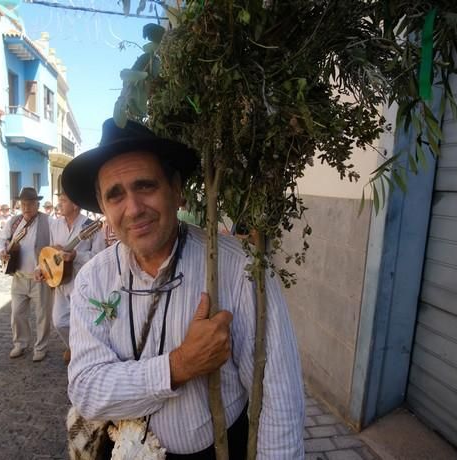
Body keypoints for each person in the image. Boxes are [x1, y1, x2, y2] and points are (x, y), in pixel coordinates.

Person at [61, 119, 305, 458]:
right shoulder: (92, 280)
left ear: (176, 191)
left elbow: (278, 398)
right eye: (115, 195)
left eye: (145, 186)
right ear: (103, 208)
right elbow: (87, 391)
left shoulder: (238, 269)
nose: (133, 209)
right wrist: (179, 366)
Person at [47, 192, 106, 363]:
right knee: (59, 322)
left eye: (63, 201)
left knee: (83, 322)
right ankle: (74, 347)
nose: (59, 204)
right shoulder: (55, 225)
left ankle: (84, 354)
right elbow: (51, 251)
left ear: (76, 205)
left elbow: (99, 256)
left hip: (83, 283)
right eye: (59, 201)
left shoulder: (90, 226)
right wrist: (41, 268)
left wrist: (76, 256)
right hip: (60, 280)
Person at [0, 188, 52, 361]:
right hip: (19, 276)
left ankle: (41, 347)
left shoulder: (49, 222)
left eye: (30, 204)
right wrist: (1, 251)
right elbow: (1, 240)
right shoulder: (13, 221)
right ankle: (20, 343)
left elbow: (55, 246)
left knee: (42, 314)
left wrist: (44, 267)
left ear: (37, 204)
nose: (26, 207)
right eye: (23, 204)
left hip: (40, 278)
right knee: (17, 313)